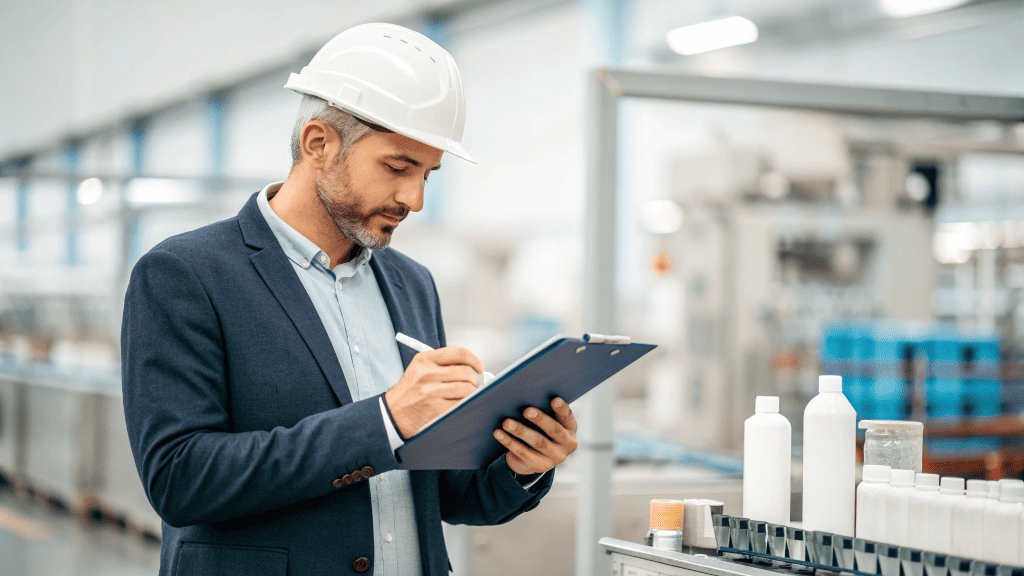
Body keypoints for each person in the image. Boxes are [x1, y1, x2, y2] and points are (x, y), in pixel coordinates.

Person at [121, 23, 578, 576]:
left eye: (428, 174)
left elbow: (443, 495)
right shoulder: (185, 275)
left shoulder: (411, 283)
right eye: (397, 167)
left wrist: (520, 464)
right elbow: (180, 479)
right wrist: (384, 422)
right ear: (319, 143)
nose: (413, 198)